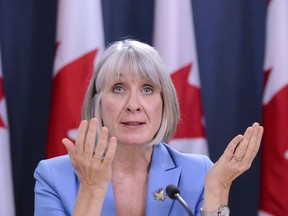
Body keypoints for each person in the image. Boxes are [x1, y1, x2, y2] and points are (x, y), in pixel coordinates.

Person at [34, 39, 264, 216]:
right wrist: (91, 189)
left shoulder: (200, 173)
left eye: (147, 89)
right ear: (97, 102)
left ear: (165, 103)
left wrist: (218, 188)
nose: (134, 105)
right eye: (118, 88)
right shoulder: (54, 176)